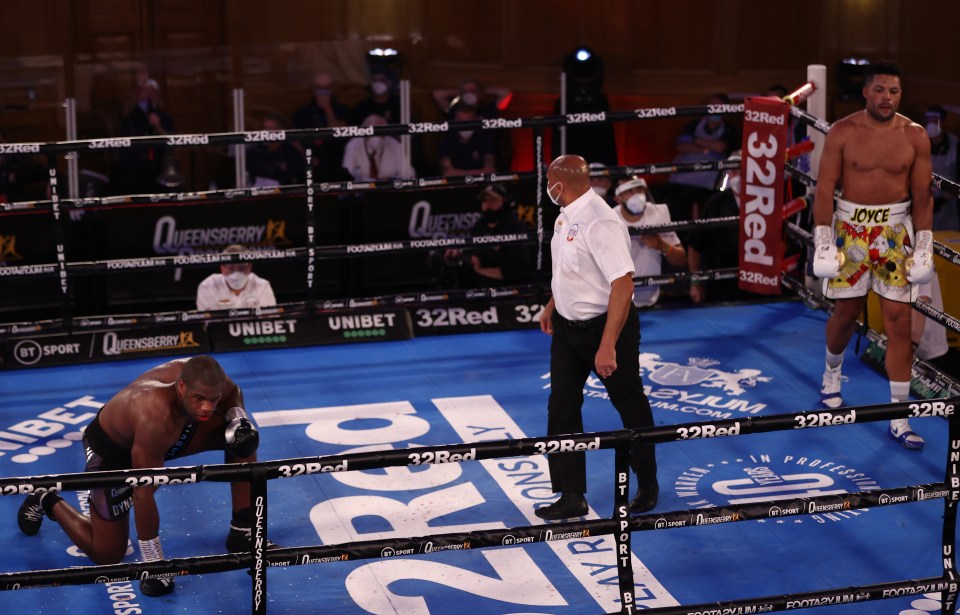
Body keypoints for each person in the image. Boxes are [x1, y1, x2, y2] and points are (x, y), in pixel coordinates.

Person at [17, 355, 267, 597]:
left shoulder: (204, 375)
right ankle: (45, 498)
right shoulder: (155, 415)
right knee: (108, 554)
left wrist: (238, 417)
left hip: (170, 434)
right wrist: (154, 564)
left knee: (242, 438)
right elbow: (143, 494)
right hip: (113, 452)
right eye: (199, 398)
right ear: (181, 386)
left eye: (213, 400)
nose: (207, 407)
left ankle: (242, 529)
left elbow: (233, 393)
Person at [811, 60, 935, 450]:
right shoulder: (844, 131)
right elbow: (824, 188)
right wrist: (824, 240)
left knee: (899, 324)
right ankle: (832, 373)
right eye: (880, 90)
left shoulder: (914, 136)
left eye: (894, 92)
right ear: (866, 91)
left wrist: (925, 244)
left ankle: (899, 417)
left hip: (895, 235)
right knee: (846, 314)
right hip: (849, 231)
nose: (887, 98)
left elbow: (922, 196)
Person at [535, 154, 658, 520]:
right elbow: (574, 270)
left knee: (630, 404)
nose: (547, 187)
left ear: (560, 184)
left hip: (607, 329)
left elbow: (622, 283)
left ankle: (648, 486)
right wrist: (552, 304)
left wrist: (607, 345)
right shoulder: (566, 216)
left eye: (548, 181)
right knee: (561, 409)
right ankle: (572, 495)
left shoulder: (599, 221)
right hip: (568, 330)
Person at [665, 93, 740, 223]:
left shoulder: (730, 129)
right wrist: (706, 149)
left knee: (710, 216)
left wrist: (695, 140)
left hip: (710, 184)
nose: (714, 109)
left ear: (726, 109)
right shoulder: (693, 124)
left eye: (718, 106)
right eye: (711, 106)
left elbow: (720, 147)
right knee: (677, 214)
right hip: (682, 179)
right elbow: (682, 146)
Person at [612, 177, 687, 307]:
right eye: (629, 191)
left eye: (639, 189)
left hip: (651, 299)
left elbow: (680, 259)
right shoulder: (610, 218)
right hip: (617, 302)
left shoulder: (658, 212)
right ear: (618, 198)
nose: (637, 195)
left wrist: (662, 245)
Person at [686, 151, 747, 304]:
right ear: (728, 174)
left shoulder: (764, 202)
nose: (738, 176)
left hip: (756, 283)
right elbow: (695, 245)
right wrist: (695, 283)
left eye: (742, 171)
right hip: (720, 286)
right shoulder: (715, 203)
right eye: (734, 171)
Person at [441, 184, 532, 286]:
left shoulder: (515, 227)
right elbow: (475, 256)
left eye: (493, 200)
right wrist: (459, 256)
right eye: (485, 200)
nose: (488, 205)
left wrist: (479, 270)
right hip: (480, 290)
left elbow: (516, 271)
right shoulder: (479, 225)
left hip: (509, 290)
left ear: (505, 203)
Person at [113, 78, 177, 195]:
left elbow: (172, 141)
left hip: (157, 169)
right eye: (144, 90)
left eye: (151, 91)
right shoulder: (129, 113)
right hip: (132, 169)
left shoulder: (162, 115)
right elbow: (123, 113)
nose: (147, 94)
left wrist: (158, 126)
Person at [291, 71, 350, 181]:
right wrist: (306, 157)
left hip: (336, 163)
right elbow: (294, 140)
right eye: (319, 88)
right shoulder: (301, 112)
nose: (323, 91)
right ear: (313, 89)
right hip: (311, 163)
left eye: (327, 87)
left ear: (332, 88)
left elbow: (340, 133)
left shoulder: (342, 110)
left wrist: (327, 109)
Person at [196, 244, 277, 311]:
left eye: (241, 267)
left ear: (249, 267)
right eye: (231, 268)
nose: (236, 273)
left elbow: (268, 319)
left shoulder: (263, 286)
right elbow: (208, 324)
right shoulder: (207, 287)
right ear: (222, 267)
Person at [341, 114, 414, 181]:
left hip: (389, 192)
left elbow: (409, 174)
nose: (376, 138)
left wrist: (391, 180)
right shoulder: (353, 145)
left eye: (380, 133)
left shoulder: (395, 145)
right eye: (371, 133)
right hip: (362, 192)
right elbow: (346, 175)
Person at [245, 112, 306, 187]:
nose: (265, 132)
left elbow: (298, 177)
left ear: (280, 131)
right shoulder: (253, 153)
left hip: (284, 195)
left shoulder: (291, 153)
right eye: (264, 128)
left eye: (269, 129)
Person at [438, 103, 497, 176]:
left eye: (468, 122)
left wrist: (464, 174)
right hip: (456, 185)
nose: (464, 127)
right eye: (461, 122)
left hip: (480, 184)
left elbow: (490, 170)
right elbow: (447, 173)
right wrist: (475, 174)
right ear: (455, 121)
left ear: (475, 120)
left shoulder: (484, 139)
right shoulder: (448, 141)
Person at [925, 105, 960, 231]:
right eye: (929, 120)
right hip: (924, 202)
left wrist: (942, 199)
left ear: (943, 122)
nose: (932, 123)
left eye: (935, 120)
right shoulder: (920, 141)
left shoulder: (955, 144)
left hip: (949, 204)